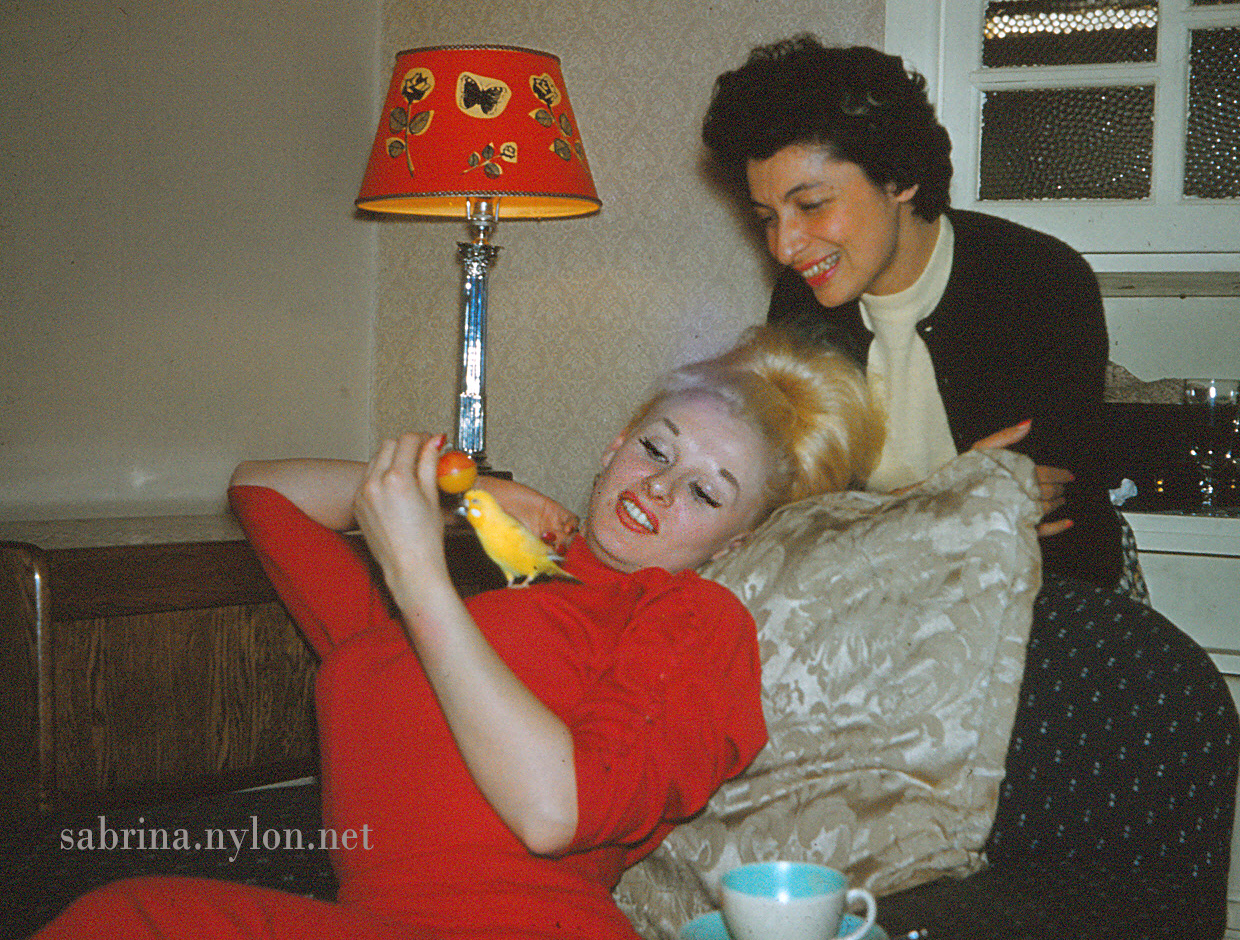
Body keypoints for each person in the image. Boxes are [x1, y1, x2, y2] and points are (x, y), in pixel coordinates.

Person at [33, 325, 884, 940]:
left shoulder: (690, 619)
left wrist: (419, 575)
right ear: (614, 443)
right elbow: (261, 491)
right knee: (125, 917)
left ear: (733, 544)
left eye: (705, 492)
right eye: (657, 451)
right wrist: (463, 497)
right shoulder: (436, 623)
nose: (660, 489)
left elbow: (557, 811)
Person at [701, 35, 1124, 590]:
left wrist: (885, 512)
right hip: (870, 583)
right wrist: (937, 498)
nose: (784, 246)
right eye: (767, 217)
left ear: (898, 177)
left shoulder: (1038, 279)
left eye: (811, 205)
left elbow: (1030, 505)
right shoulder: (798, 304)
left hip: (1044, 588)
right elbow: (794, 505)